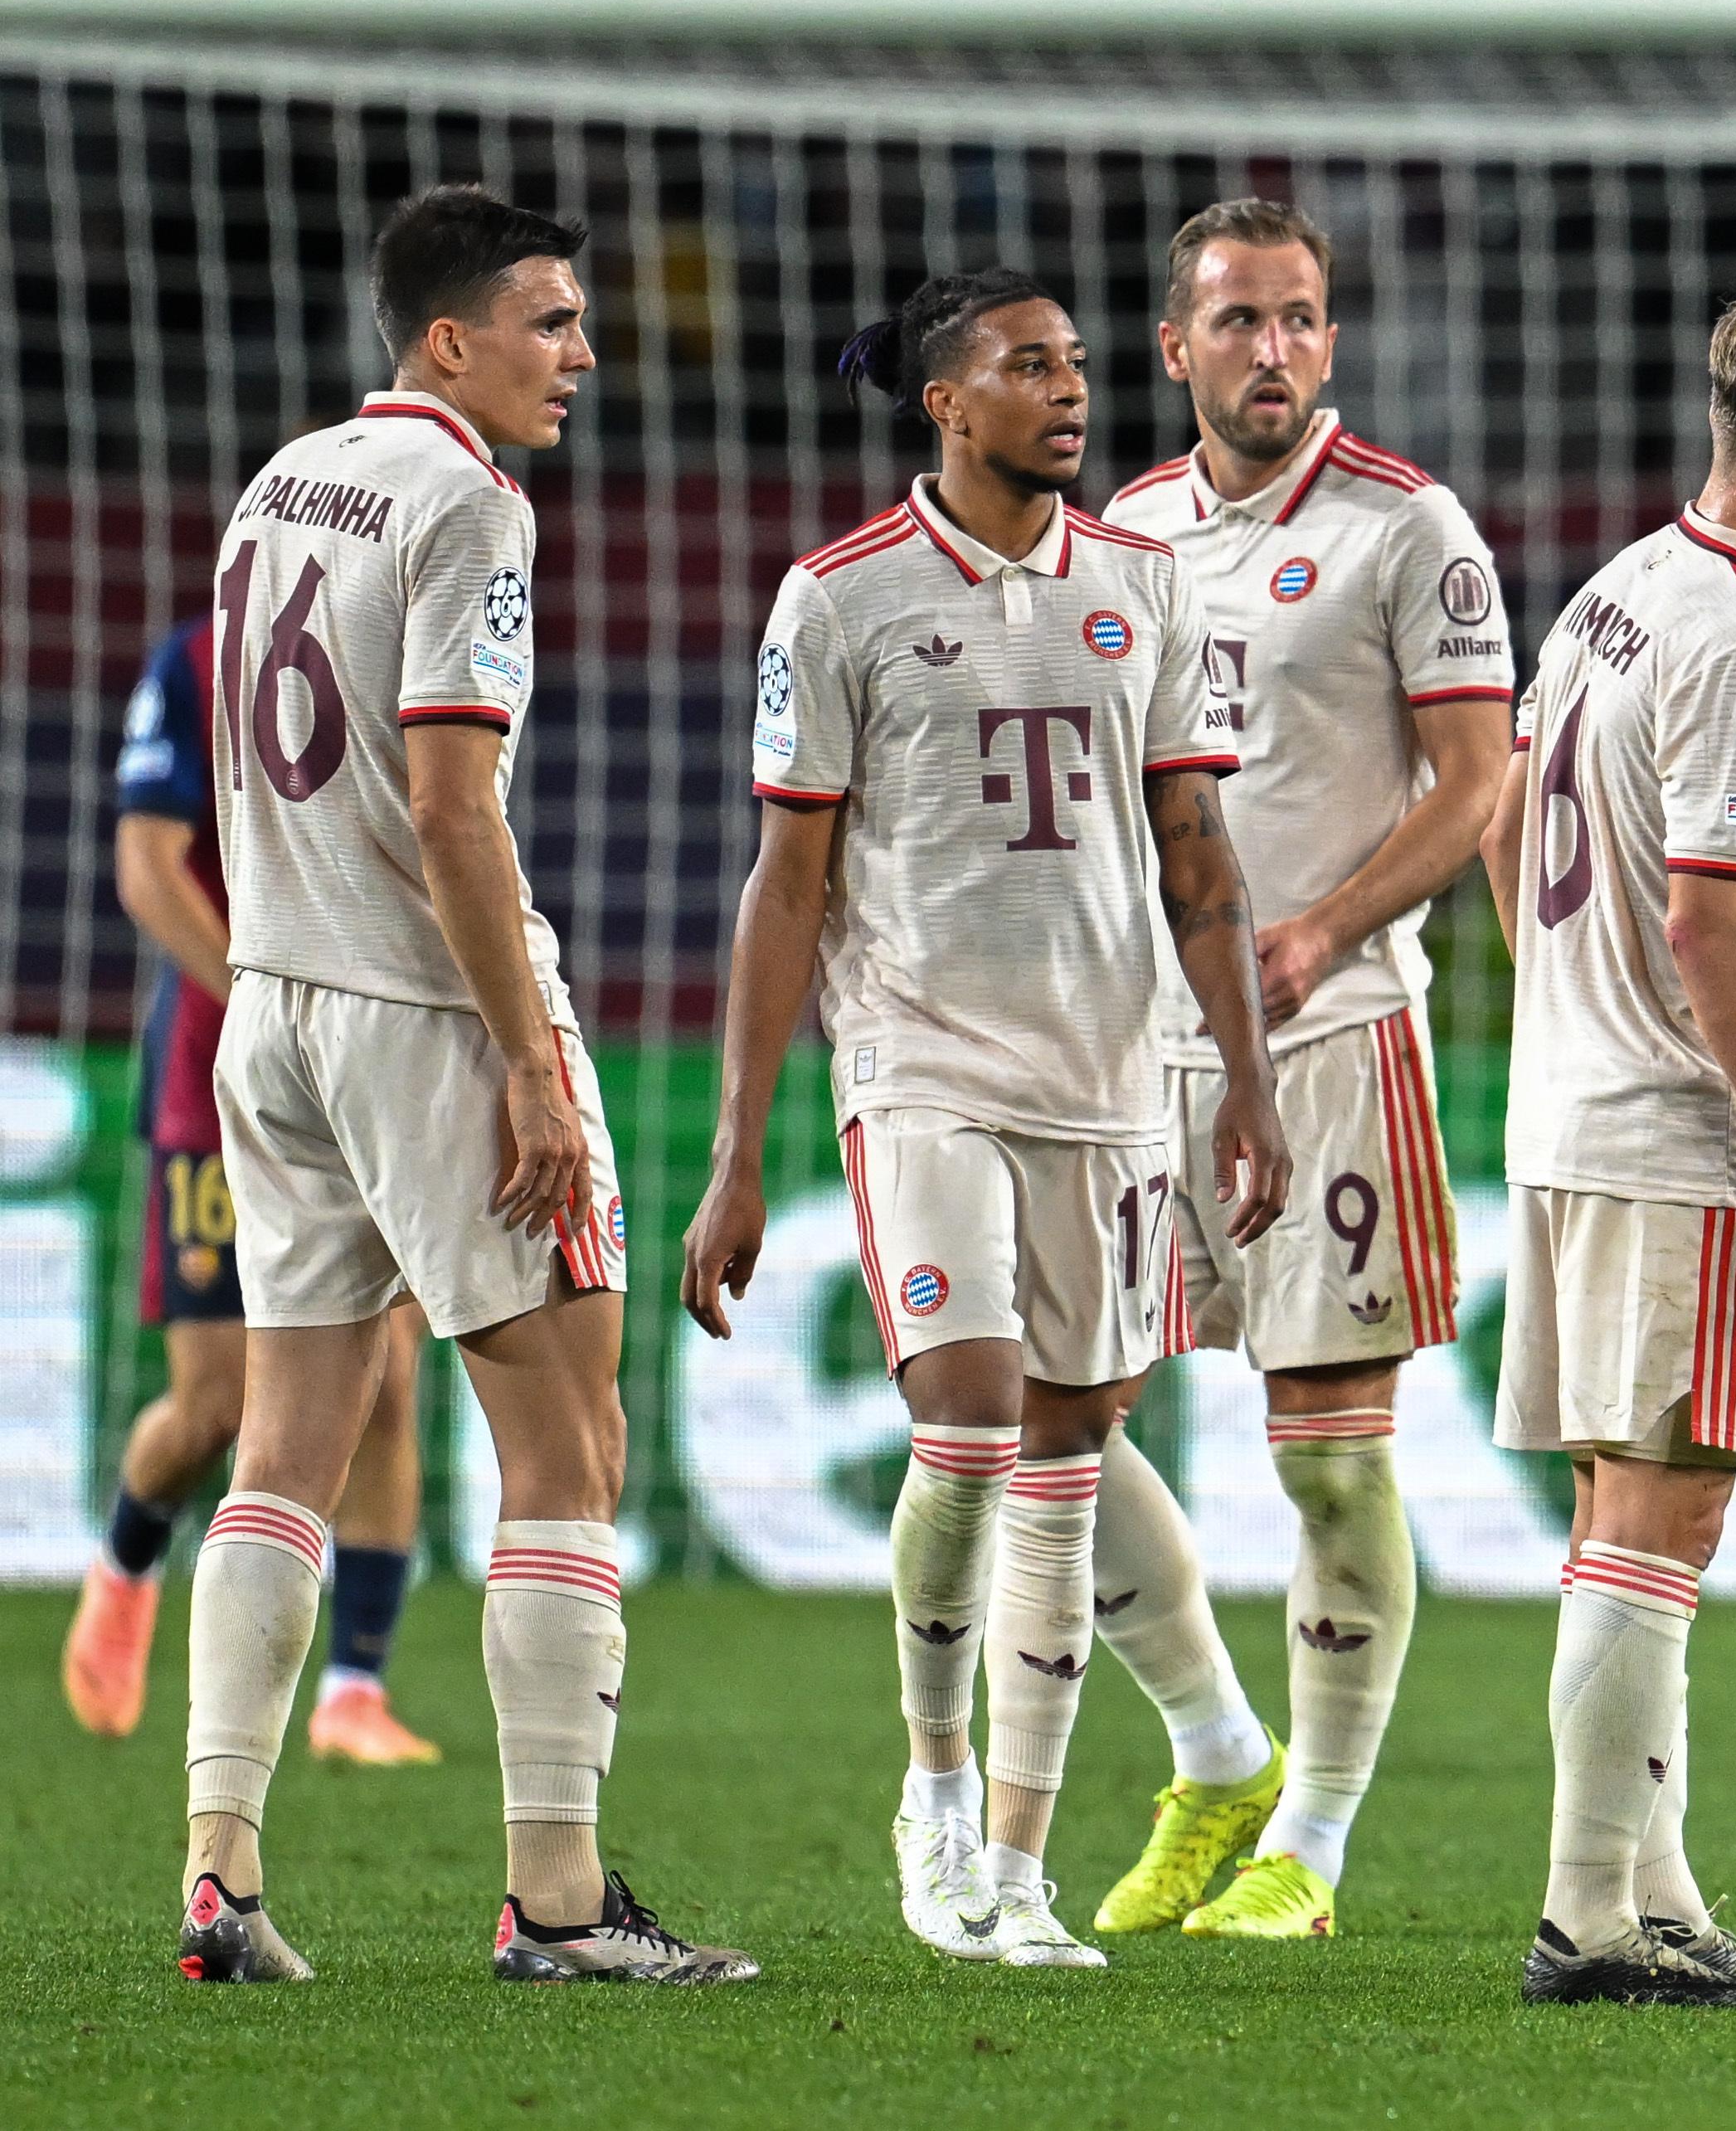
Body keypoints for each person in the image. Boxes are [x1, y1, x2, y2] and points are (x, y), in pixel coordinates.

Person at [176, 184, 750, 1986]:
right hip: (421, 1010)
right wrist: (528, 1061)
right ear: (450, 339)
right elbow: (448, 799)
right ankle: (563, 1903)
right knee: (570, 1437)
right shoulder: (468, 502)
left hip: (268, 1004)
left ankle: (220, 1871)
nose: (582, 354)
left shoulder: (282, 481)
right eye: (552, 321)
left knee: (288, 1444)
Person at [683, 270, 1287, 1971]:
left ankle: (1016, 1871)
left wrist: (1240, 1073)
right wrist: (739, 1152)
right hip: (921, 1067)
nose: (1070, 391)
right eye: (1030, 367)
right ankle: (933, 1794)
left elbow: (1200, 858)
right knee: (965, 1422)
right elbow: (785, 880)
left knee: (1068, 1469)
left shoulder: (1146, 585)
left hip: (1108, 1082)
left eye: (1079, 366)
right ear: (946, 400)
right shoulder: (839, 598)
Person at [1084, 200, 1514, 1943]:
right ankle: (1214, 1748)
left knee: (1328, 1459)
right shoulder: (1123, 528)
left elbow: (1478, 780)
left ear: (1329, 342)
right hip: (1132, 1051)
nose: (1274, 350)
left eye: (1302, 319)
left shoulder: (1408, 528)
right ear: (1177, 347)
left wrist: (1319, 930)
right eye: (1239, 321)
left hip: (1334, 1045)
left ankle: (1312, 1847)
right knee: (1046, 1421)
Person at [1481, 286, 1736, 2007]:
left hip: (1564, 1109)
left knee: (1620, 1506)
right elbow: (1716, 920)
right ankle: (1590, 1915)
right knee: (1663, 1512)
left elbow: (1507, 824)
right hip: (1672, 1135)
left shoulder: (1611, 593)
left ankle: (1650, 1887)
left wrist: (1561, 1018)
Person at [68, 616, 438, 1766]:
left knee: (389, 1366)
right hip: (223, 1071)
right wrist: (260, 985)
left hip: (373, 1055)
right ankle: (128, 1564)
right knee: (218, 1405)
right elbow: (146, 863)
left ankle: (355, 1691)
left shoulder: (418, 648)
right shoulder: (194, 660)